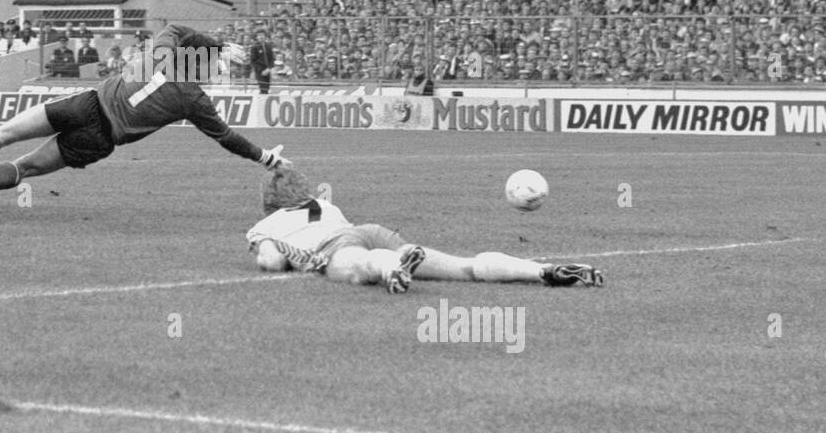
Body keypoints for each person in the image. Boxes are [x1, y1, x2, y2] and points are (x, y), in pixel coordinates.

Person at [0, 25, 280, 218]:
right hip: (100, 137)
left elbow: (177, 28)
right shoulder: (195, 100)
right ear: (199, 63)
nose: (216, 75)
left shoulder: (165, 52)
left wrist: (215, 43)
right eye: (215, 67)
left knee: (2, 134)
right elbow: (228, 138)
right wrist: (267, 158)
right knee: (26, 168)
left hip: (86, 104)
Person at [248, 169, 604, 293]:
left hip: (335, 245)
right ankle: (539, 270)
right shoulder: (323, 205)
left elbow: (274, 262)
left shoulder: (266, 225)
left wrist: (264, 247)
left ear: (269, 201)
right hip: (368, 228)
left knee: (359, 268)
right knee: (464, 268)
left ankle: (392, 268)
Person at [249, 29, 275, 94]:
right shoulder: (254, 47)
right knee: (263, 88)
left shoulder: (268, 46)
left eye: (262, 35)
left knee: (267, 88)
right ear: (256, 37)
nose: (261, 37)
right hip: (260, 71)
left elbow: (272, 59)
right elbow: (253, 61)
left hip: (268, 70)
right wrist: (261, 70)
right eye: (259, 35)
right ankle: (261, 102)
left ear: (265, 36)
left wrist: (269, 68)